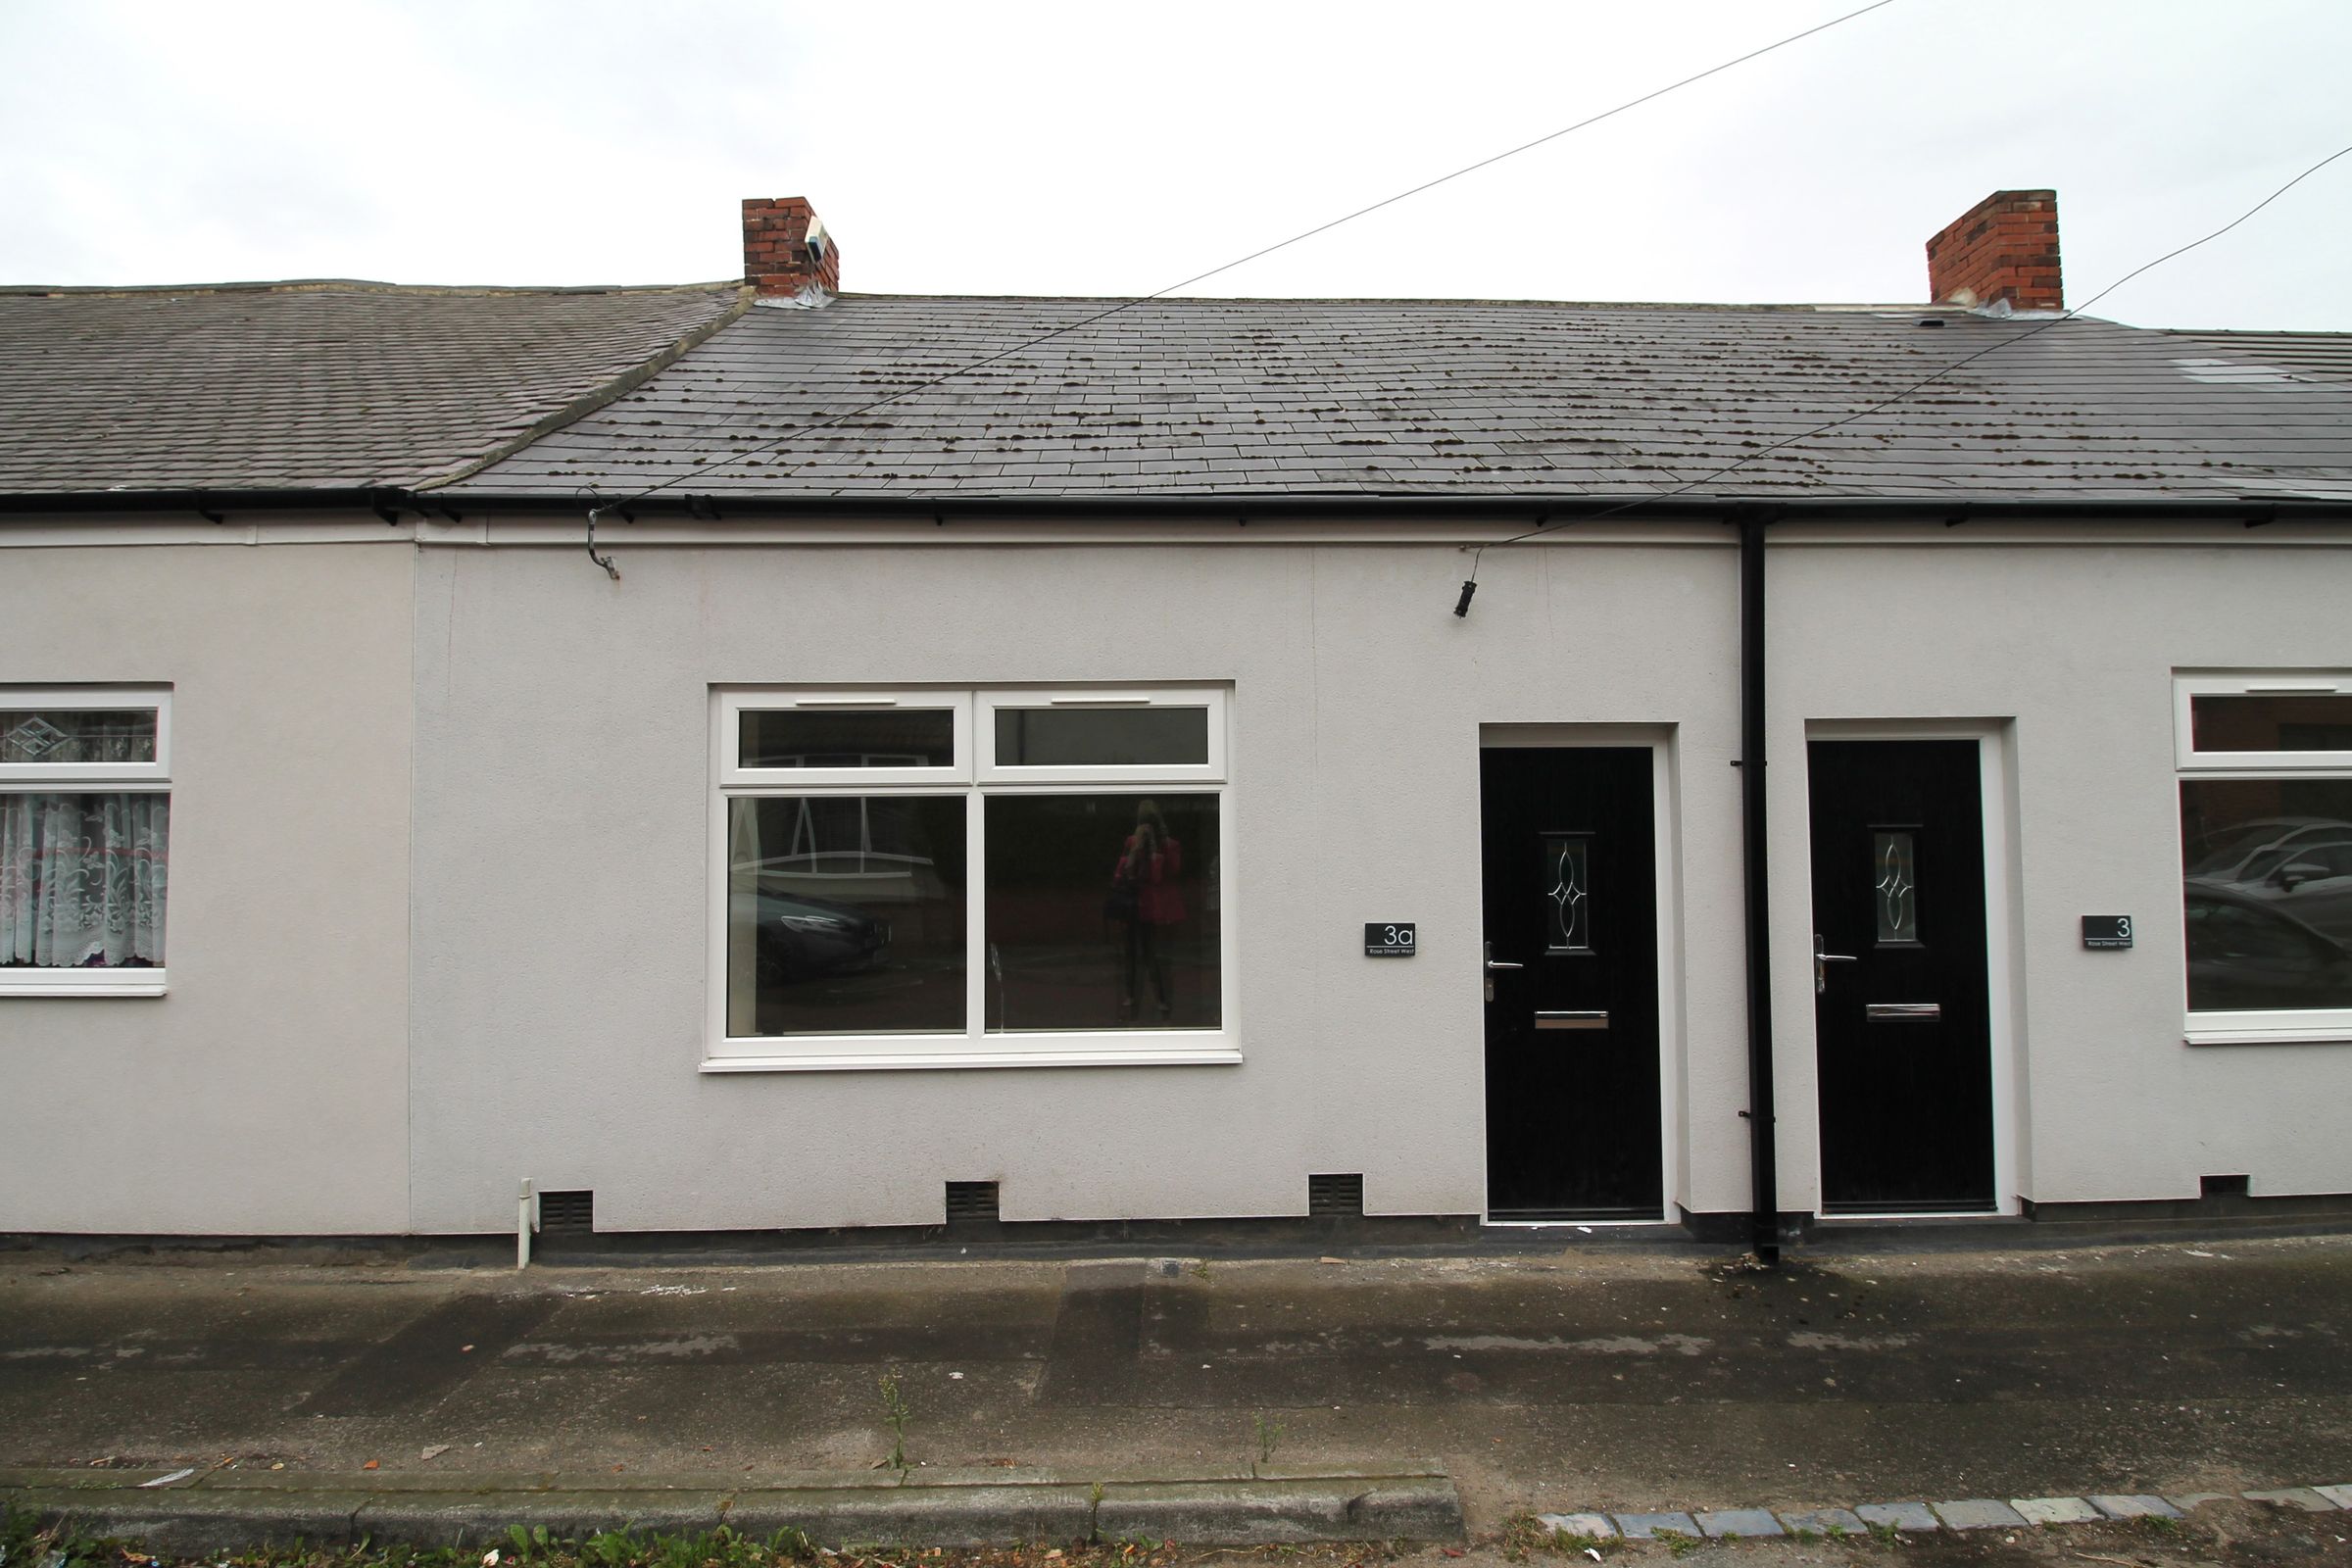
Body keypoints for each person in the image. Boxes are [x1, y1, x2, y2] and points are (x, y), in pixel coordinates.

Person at [1111, 800, 1184, 1020]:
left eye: (1151, 823)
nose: (1147, 829)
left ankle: (1162, 999)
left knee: (1156, 957)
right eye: (1144, 824)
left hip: (1157, 911)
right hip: (1134, 908)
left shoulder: (1170, 846)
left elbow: (1165, 876)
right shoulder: (1131, 842)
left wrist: (1154, 852)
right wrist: (1134, 852)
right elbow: (1119, 877)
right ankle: (1132, 996)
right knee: (1131, 954)